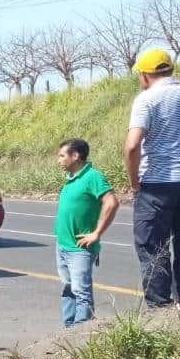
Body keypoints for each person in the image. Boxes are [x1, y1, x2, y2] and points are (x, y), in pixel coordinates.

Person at [125, 48, 180, 307]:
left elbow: (132, 146)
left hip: (156, 184)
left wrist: (134, 183)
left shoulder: (147, 98)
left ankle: (160, 311)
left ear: (145, 75)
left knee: (153, 248)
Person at [54, 138, 120, 326]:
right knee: (68, 289)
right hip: (63, 245)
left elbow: (112, 202)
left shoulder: (93, 177)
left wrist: (97, 233)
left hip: (80, 248)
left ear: (75, 156)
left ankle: (81, 334)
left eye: (61, 156)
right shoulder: (72, 179)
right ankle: (68, 329)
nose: (59, 160)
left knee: (81, 292)